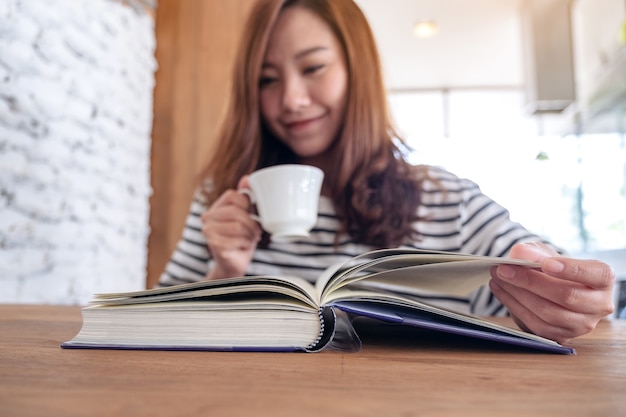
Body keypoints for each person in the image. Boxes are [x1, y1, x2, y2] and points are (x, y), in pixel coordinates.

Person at [158, 0, 615, 344]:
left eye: (313, 67)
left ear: (358, 70)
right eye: (267, 79)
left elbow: (540, 271)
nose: (292, 100)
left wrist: (562, 291)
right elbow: (157, 329)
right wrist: (223, 270)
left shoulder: (445, 198)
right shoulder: (224, 200)